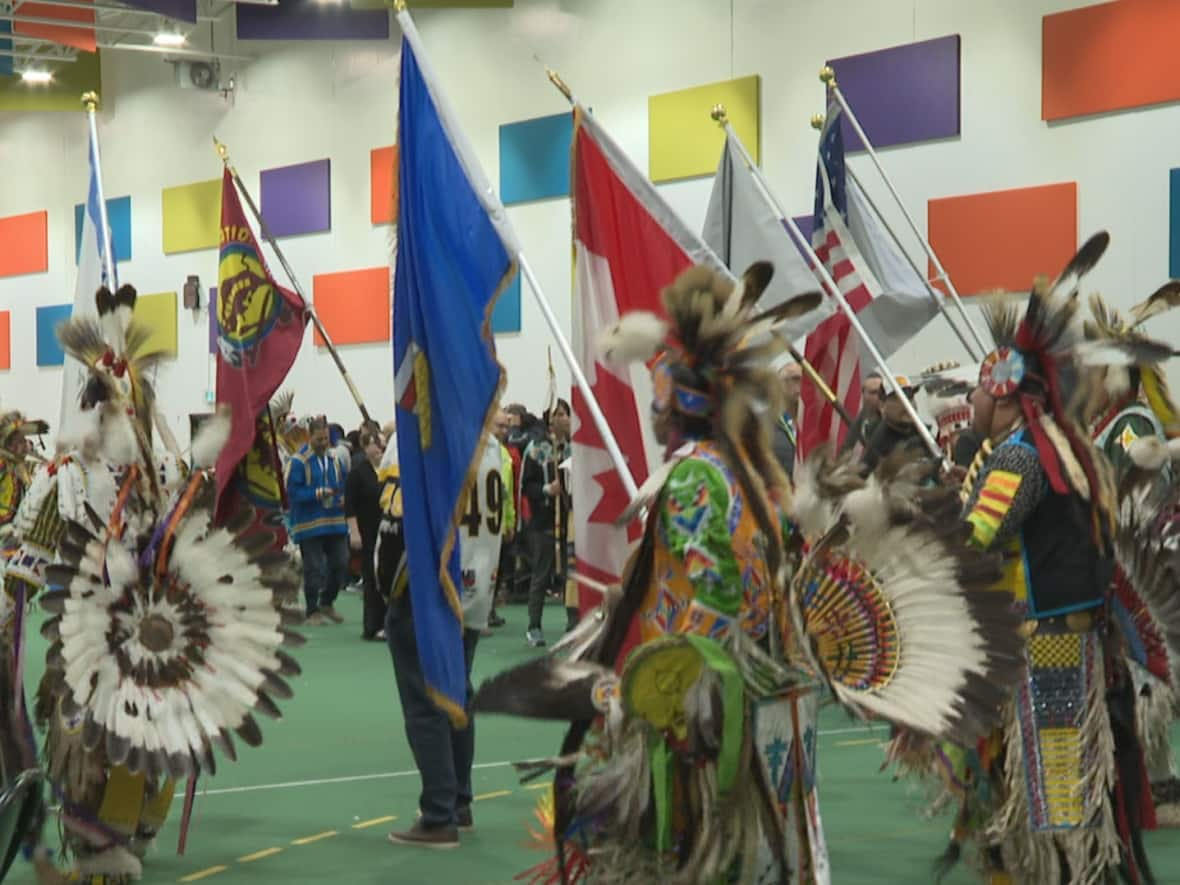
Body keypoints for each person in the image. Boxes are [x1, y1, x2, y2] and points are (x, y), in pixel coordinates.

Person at [474, 263, 1023, 884]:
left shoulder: (694, 480)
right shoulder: (758, 475)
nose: (653, 414)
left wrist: (631, 695)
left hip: (720, 726)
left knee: (718, 862)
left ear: (680, 408)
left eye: (659, 402)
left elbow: (712, 615)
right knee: (774, 860)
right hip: (780, 712)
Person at [0, 284, 300, 883]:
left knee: (156, 736)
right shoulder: (64, 477)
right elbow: (25, 558)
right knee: (86, 740)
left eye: (129, 404)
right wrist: (9, 611)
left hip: (156, 634)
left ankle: (135, 827)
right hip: (85, 641)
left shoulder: (167, 471)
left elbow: (195, 536)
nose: (119, 415)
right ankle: (96, 845)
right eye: (108, 405)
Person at [906, 233, 1159, 884]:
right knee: (1054, 786)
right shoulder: (1061, 447)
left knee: (1052, 794)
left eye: (980, 390)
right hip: (1067, 640)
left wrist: (958, 468)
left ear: (1003, 389)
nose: (974, 400)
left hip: (1040, 644)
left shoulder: (1022, 455)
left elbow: (974, 536)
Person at [376, 429, 506, 849]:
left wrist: (387, 586)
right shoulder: (491, 443)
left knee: (425, 699)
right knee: (457, 694)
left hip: (427, 587)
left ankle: (438, 813)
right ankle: (459, 802)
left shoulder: (419, 432)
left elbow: (394, 521)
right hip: (475, 585)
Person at [287, 416, 349, 625]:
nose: (324, 444)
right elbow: (293, 493)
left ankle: (327, 602)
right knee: (313, 568)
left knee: (341, 563)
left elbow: (344, 482)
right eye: (319, 439)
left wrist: (343, 497)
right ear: (309, 436)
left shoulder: (335, 459)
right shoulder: (298, 461)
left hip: (335, 521)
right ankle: (312, 609)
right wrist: (317, 493)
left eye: (326, 439)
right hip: (309, 523)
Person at [520, 399, 571, 647]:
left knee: (571, 576)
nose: (563, 419)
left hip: (569, 523)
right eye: (558, 414)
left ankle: (574, 625)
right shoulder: (536, 449)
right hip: (543, 523)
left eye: (565, 414)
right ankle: (534, 626)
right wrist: (546, 489)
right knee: (541, 575)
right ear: (550, 420)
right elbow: (526, 486)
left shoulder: (575, 448)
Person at [347, 429, 387, 641]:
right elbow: (350, 505)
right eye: (377, 445)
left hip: (387, 532)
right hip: (367, 532)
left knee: (385, 576)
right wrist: (354, 532)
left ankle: (388, 623)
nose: (381, 449)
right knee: (371, 577)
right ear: (366, 447)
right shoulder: (358, 472)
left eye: (383, 445)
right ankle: (372, 625)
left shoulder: (389, 470)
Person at [861, 375, 930, 473]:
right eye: (898, 399)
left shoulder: (923, 432)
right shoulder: (879, 447)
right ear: (882, 405)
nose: (907, 404)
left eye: (909, 397)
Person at [839, 370, 883, 456]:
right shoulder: (864, 414)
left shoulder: (890, 413)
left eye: (881, 392)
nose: (878, 396)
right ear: (864, 394)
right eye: (873, 393)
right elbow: (848, 443)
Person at [771, 360, 801, 477]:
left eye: (805, 380)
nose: (801, 385)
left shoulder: (814, 424)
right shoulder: (766, 424)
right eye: (795, 379)